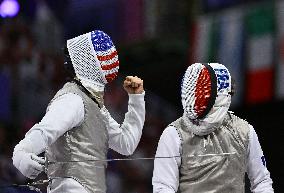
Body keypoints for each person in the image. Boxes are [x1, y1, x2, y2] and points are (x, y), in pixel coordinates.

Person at [12, 30, 145, 193]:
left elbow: (126, 144)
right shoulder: (73, 100)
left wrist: (137, 99)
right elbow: (44, 131)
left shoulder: (94, 106)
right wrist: (21, 153)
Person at [152, 63, 274, 193]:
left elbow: (261, 182)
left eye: (203, 90)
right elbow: (163, 187)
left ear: (221, 96)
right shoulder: (174, 134)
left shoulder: (244, 131)